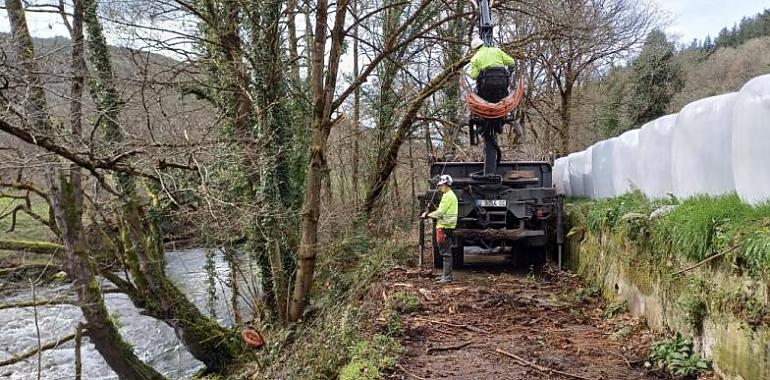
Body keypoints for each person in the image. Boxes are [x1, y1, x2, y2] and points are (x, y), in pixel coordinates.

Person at [421, 174, 458, 284]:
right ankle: (446, 276)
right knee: (446, 253)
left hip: (444, 227)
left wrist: (427, 215)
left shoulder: (448, 196)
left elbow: (440, 213)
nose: (439, 187)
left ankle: (446, 278)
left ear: (446, 185)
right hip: (447, 227)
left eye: (441, 185)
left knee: (446, 253)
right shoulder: (449, 195)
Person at [468, 37, 515, 103]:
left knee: (481, 91)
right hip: (502, 83)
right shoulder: (497, 50)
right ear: (483, 44)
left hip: (486, 87)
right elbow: (512, 62)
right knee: (504, 93)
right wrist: (509, 71)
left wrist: (480, 70)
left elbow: (474, 76)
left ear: (474, 49)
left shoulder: (474, 58)